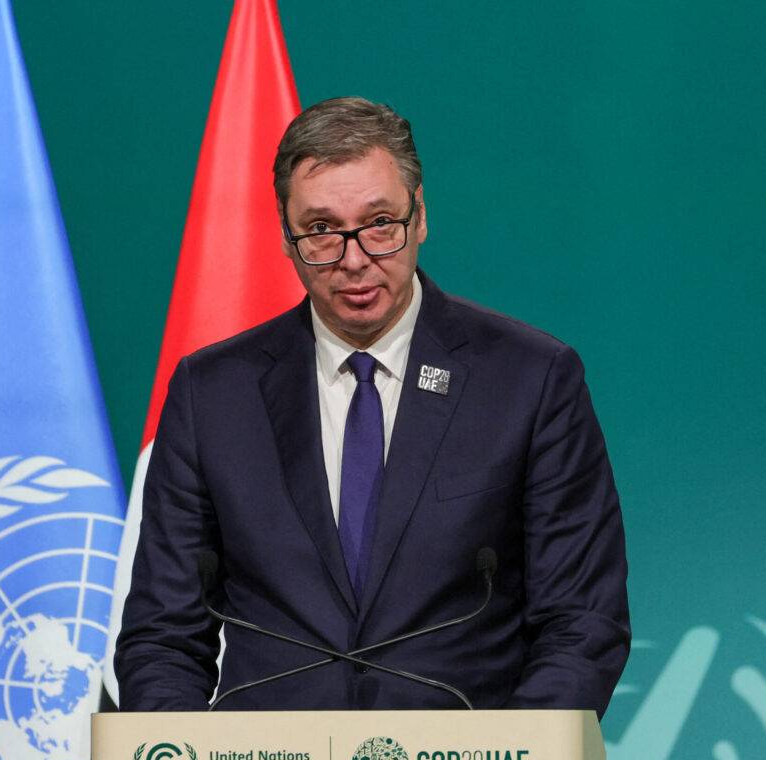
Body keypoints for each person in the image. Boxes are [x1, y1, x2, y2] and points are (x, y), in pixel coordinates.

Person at [115, 97, 630, 716]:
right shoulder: (214, 393)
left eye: (380, 222)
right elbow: (163, 636)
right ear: (287, 237)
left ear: (420, 219)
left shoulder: (529, 380)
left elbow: (581, 621)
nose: (354, 259)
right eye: (323, 231)